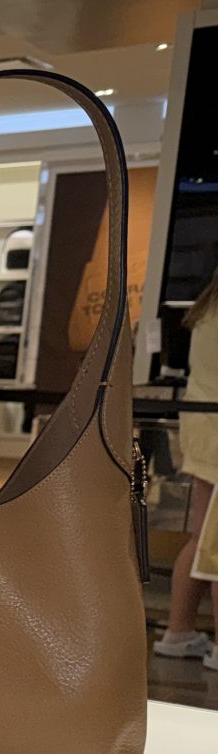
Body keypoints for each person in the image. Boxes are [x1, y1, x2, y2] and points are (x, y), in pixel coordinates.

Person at [157, 266, 218, 667]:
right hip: (215, 427)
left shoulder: (207, 306)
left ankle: (178, 631)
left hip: (202, 426)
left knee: (201, 537)